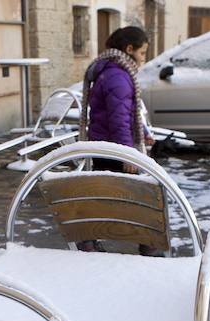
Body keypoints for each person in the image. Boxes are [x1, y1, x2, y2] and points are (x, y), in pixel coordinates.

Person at [78, 26, 160, 256]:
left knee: (111, 193)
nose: (144, 59)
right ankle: (148, 245)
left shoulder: (113, 71)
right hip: (113, 148)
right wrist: (128, 153)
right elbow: (118, 119)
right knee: (131, 196)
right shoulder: (118, 75)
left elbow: (129, 110)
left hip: (105, 145)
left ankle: (88, 239)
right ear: (129, 49)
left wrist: (142, 131)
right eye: (143, 53)